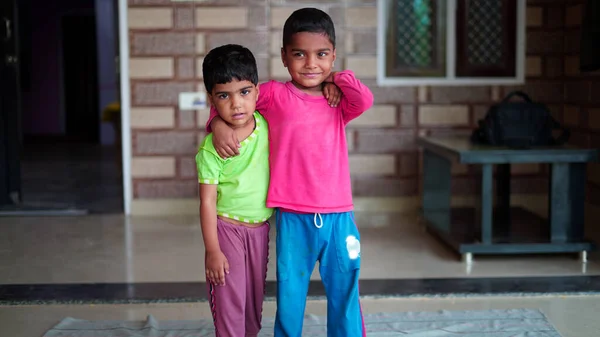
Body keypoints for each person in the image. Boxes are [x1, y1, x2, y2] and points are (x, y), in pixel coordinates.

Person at [207, 8, 374, 337]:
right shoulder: (273, 94)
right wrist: (216, 123)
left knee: (345, 289)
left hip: (339, 216)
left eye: (322, 55)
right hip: (293, 217)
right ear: (284, 57)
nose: (311, 64)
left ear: (333, 56)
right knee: (290, 295)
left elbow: (364, 99)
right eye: (300, 54)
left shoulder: (338, 100)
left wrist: (336, 77)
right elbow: (234, 100)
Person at [196, 44, 272, 337]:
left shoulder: (267, 125)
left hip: (260, 230)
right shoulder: (211, 150)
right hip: (226, 230)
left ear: (256, 91)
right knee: (230, 303)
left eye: (244, 92)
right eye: (224, 96)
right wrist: (212, 250)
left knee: (252, 308)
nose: (236, 104)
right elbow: (206, 202)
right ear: (212, 99)